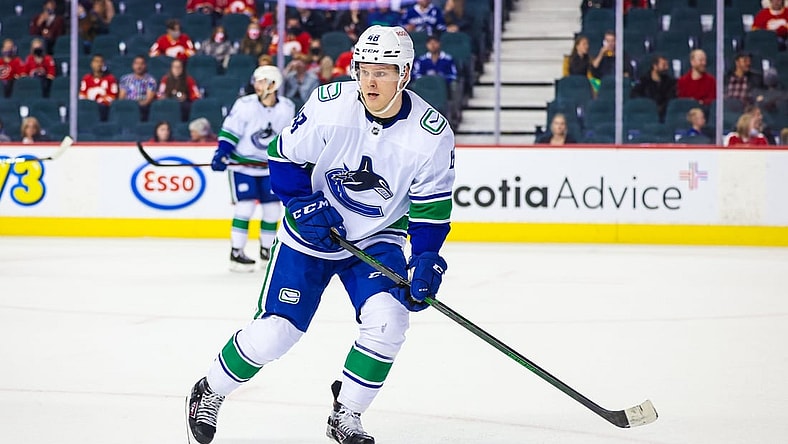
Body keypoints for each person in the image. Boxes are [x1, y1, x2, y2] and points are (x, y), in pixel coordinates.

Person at [186, 25, 455, 444]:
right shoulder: (331, 104)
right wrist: (301, 203)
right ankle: (210, 389)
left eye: (383, 72)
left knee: (388, 321)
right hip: (310, 235)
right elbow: (283, 156)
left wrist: (425, 258)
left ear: (404, 73)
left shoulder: (431, 133)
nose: (370, 80)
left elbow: (431, 211)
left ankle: (346, 413)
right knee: (277, 333)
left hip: (375, 239)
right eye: (364, 69)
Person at [208, 65, 295, 271]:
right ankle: (236, 254)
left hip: (269, 168)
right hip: (243, 165)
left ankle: (267, 252)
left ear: (274, 84)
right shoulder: (245, 104)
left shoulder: (287, 107)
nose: (256, 85)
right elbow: (231, 131)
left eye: (262, 80)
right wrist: (222, 153)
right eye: (256, 80)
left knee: (273, 211)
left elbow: (291, 137)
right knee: (245, 207)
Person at [630, 54, 676, 122]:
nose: (666, 68)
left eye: (667, 65)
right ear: (655, 66)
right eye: (664, 65)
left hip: (664, 115)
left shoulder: (670, 82)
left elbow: (671, 98)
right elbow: (635, 96)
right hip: (646, 114)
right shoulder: (643, 81)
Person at [157, 58, 202, 122]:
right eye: (175, 67)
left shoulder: (189, 79)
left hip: (183, 105)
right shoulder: (165, 79)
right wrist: (163, 97)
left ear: (182, 68)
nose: (177, 69)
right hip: (169, 102)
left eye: (179, 67)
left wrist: (186, 97)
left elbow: (196, 95)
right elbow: (160, 93)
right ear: (171, 68)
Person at [79, 53, 118, 121]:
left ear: (104, 64)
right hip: (88, 106)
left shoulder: (111, 79)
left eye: (101, 62)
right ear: (92, 64)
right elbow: (82, 95)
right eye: (96, 61)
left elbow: (112, 96)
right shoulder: (86, 78)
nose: (99, 64)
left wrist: (98, 101)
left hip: (103, 108)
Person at [118, 55, 158, 121]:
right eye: (136, 63)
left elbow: (148, 99)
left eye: (141, 64)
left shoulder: (151, 80)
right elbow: (121, 98)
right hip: (127, 107)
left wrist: (135, 106)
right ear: (133, 65)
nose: (139, 66)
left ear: (145, 66)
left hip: (142, 108)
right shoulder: (125, 79)